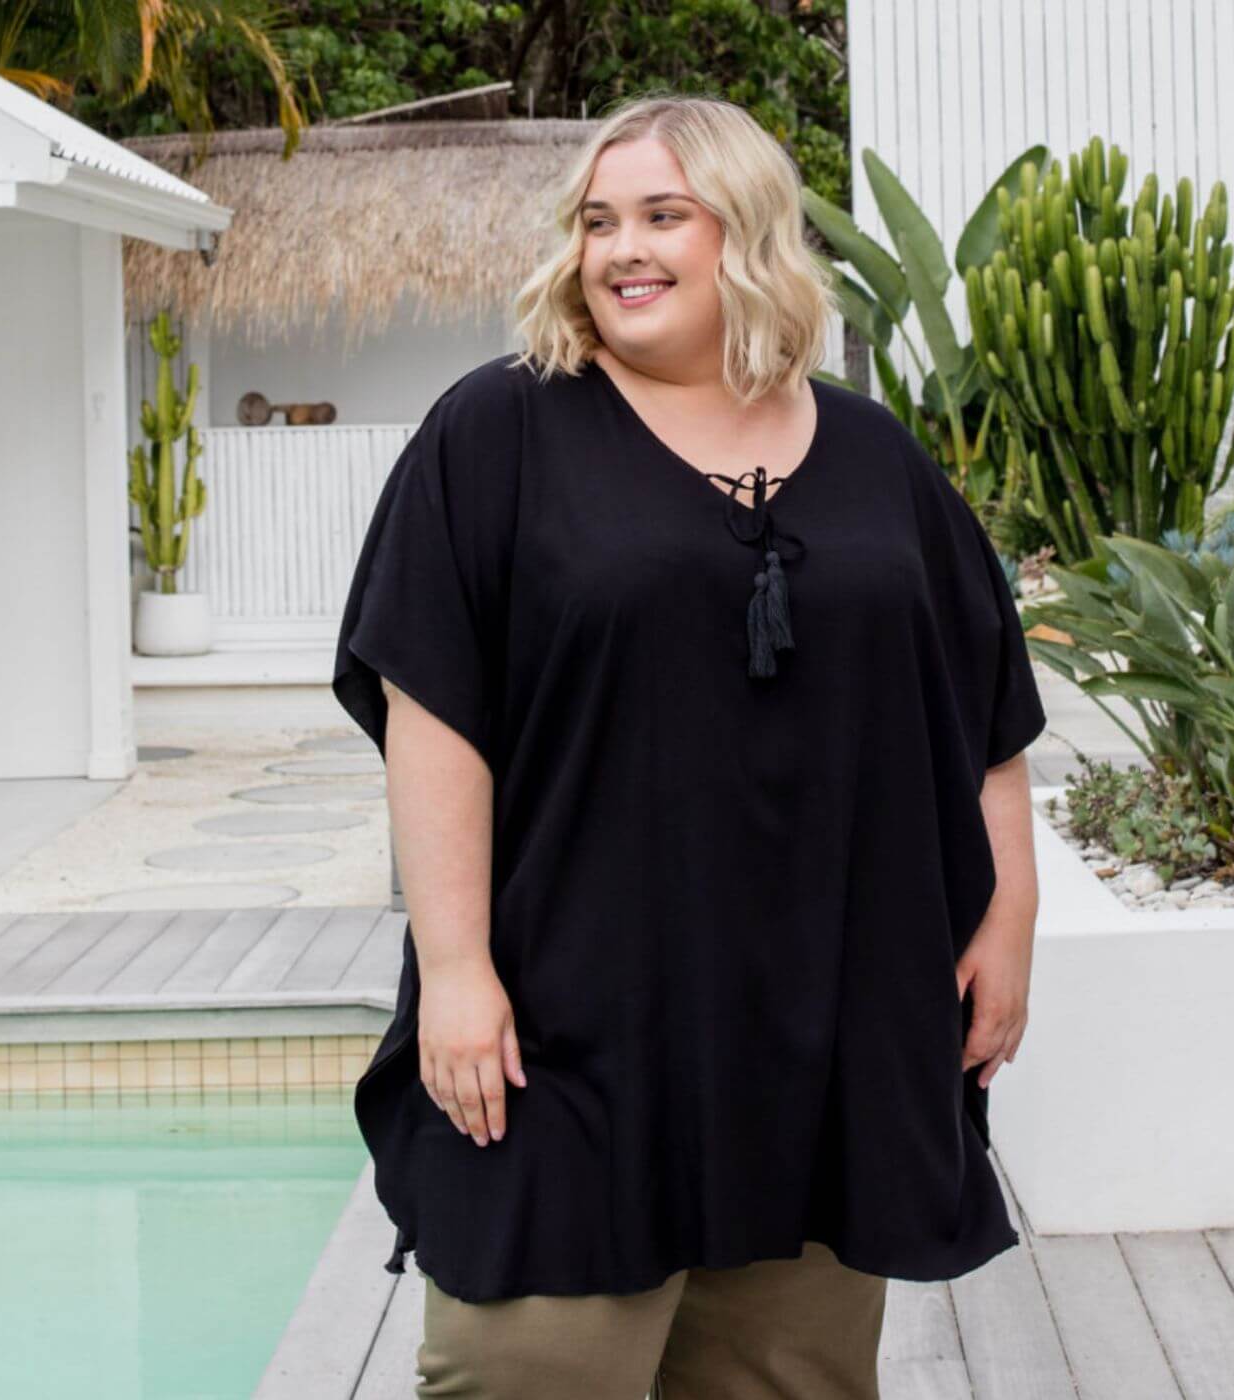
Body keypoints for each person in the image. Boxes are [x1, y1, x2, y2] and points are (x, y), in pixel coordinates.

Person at [332, 91, 1047, 1400]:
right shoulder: (498, 434)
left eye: (664, 214)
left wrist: (1008, 925)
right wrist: (453, 967)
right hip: (567, 1026)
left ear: (750, 236)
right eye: (600, 221)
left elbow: (984, 705)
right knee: (520, 1369)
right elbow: (433, 712)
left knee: (790, 1381)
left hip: (826, 1031)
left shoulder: (878, 458)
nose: (622, 249)